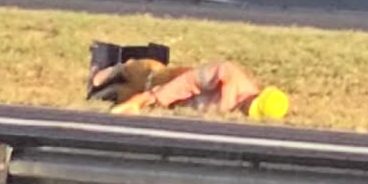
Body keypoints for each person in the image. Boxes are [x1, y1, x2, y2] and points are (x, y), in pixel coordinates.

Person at [91, 58, 289, 120]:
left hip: (181, 104)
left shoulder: (239, 113)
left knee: (127, 96)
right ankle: (123, 67)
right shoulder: (227, 74)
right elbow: (186, 82)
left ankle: (114, 90)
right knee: (150, 77)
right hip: (175, 84)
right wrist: (152, 98)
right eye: (252, 106)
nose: (247, 111)